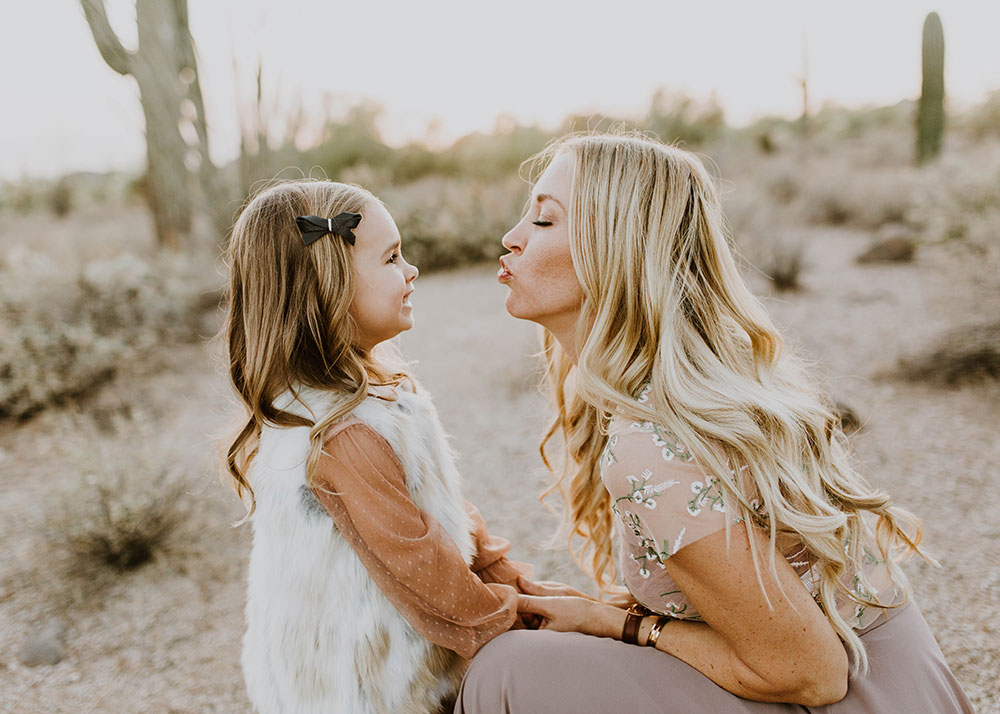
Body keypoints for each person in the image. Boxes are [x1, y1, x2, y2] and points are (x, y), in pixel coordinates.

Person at [457, 132, 976, 713]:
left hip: (854, 698)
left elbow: (814, 674)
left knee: (508, 669)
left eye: (545, 221)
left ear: (616, 250)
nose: (512, 237)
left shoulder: (649, 442)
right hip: (899, 686)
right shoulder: (682, 391)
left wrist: (623, 628)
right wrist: (599, 616)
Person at [220, 179, 533, 714]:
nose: (410, 271)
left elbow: (449, 521)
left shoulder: (372, 399)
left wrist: (526, 586)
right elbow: (430, 579)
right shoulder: (340, 435)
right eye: (391, 259)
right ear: (330, 285)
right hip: (368, 693)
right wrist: (534, 621)